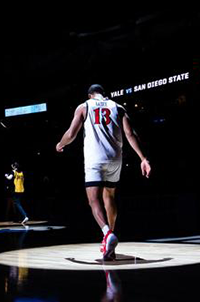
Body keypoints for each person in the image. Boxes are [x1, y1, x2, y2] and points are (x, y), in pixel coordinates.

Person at [56, 84, 151, 260]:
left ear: (90, 95)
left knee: (93, 200)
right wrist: (143, 158)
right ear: (103, 94)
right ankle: (110, 242)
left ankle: (107, 234)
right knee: (110, 197)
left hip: (95, 159)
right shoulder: (118, 106)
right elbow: (130, 134)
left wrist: (60, 144)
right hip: (115, 159)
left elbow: (71, 133)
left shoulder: (85, 106)